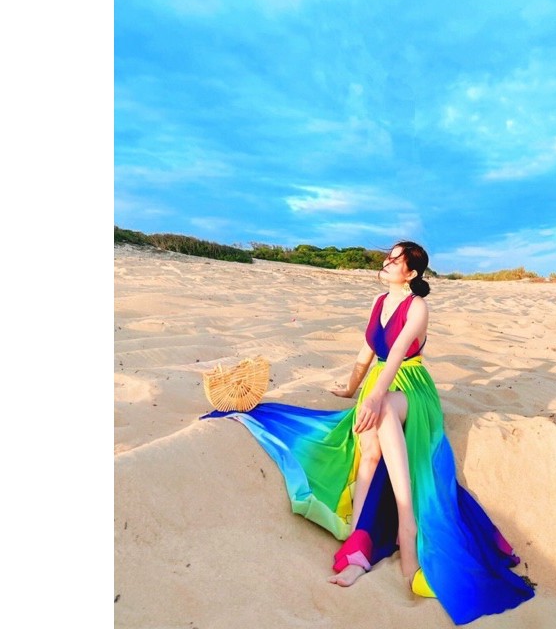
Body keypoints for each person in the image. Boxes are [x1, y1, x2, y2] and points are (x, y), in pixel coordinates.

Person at [201, 241, 534, 625]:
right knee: (370, 449)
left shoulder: (418, 307)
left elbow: (397, 356)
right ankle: (358, 541)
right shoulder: (378, 302)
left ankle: (407, 524)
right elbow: (366, 355)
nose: (386, 262)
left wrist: (375, 397)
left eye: (396, 260)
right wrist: (350, 388)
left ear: (411, 273)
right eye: (388, 256)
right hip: (378, 383)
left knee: (385, 409)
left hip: (410, 389)